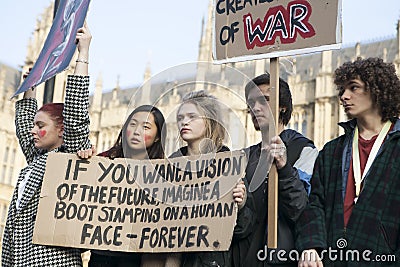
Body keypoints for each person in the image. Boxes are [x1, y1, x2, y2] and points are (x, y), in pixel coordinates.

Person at [1, 24, 92, 266]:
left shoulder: (67, 157)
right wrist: (29, 88)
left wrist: (83, 55)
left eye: (40, 125)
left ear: (62, 129)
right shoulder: (38, 162)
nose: (32, 130)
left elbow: (75, 114)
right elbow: (23, 127)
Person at [296, 57, 400, 266]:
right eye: (342, 90)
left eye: (354, 88)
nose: (344, 96)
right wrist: (311, 245)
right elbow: (315, 203)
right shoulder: (332, 151)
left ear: (377, 90)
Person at [232, 73, 318, 267]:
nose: (256, 107)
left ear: (282, 107)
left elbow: (303, 210)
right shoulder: (243, 158)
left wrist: (284, 169)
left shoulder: (304, 150)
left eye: (265, 100)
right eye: (252, 102)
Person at [166, 90, 248, 267]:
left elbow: (243, 229)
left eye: (192, 116)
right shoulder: (170, 166)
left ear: (210, 120)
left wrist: (240, 205)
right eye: (180, 118)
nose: (184, 122)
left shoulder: (229, 162)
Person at [80, 105, 166, 267]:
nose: (137, 131)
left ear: (157, 137)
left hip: (137, 257)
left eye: (145, 127)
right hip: (101, 255)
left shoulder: (164, 173)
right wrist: (84, 159)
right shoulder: (103, 161)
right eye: (132, 124)